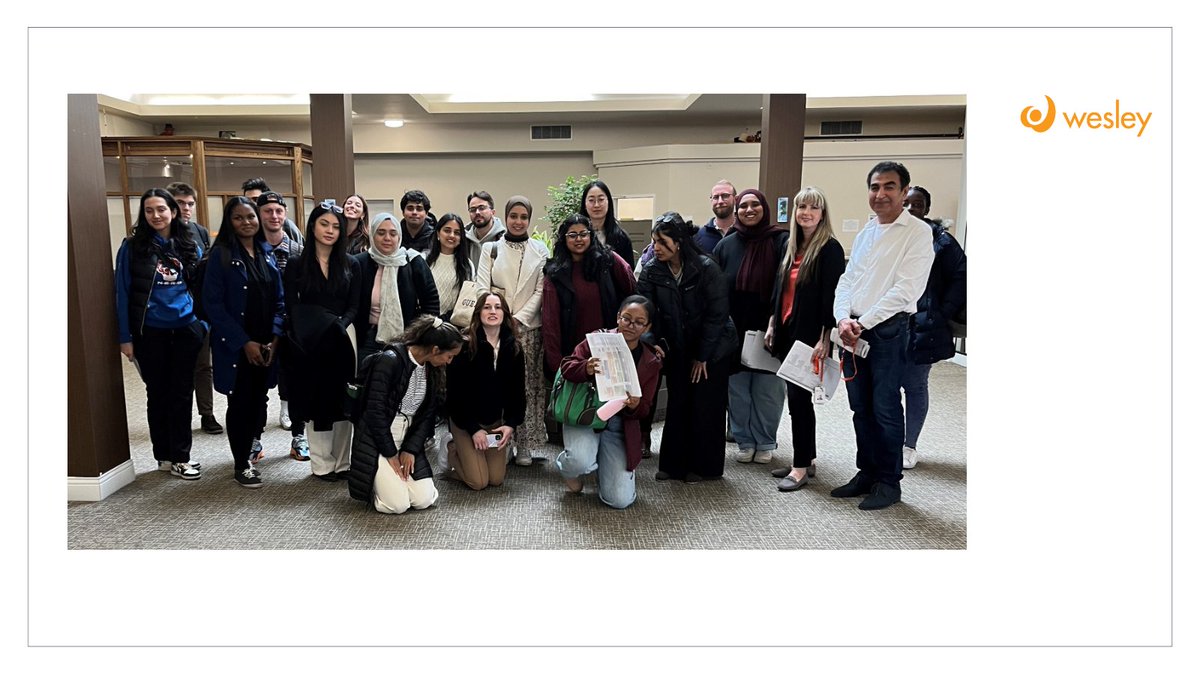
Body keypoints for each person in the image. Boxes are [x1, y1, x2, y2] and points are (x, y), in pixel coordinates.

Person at [831, 161, 934, 510]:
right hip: (853, 332)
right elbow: (848, 280)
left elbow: (906, 290)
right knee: (860, 408)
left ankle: (889, 482)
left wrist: (864, 322)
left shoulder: (918, 233)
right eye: (875, 187)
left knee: (885, 408)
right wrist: (843, 317)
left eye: (889, 187)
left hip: (888, 332)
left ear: (904, 192)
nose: (881, 194)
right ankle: (867, 473)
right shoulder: (866, 232)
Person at [636, 212, 738, 483]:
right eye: (654, 241)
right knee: (678, 404)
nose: (655, 247)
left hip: (713, 348)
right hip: (677, 347)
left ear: (679, 243)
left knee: (706, 405)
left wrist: (703, 357)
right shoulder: (652, 270)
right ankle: (672, 465)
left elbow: (717, 315)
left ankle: (706, 468)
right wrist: (652, 343)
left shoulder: (706, 268)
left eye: (662, 242)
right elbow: (644, 312)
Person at [114, 188, 205, 480]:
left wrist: (202, 324)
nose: (156, 215)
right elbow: (122, 293)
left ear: (174, 212)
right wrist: (125, 337)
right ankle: (163, 455)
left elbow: (203, 286)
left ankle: (181, 456)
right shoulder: (132, 247)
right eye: (149, 210)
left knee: (181, 393)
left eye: (162, 209)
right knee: (157, 394)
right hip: (149, 330)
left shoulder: (188, 243)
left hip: (186, 328)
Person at [764, 186, 845, 491]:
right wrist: (772, 323)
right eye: (801, 208)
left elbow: (832, 298)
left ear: (822, 214)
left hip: (811, 335)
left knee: (799, 401)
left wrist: (826, 338)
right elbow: (779, 290)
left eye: (813, 208)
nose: (806, 213)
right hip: (787, 330)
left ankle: (799, 468)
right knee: (796, 398)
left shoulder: (830, 249)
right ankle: (807, 458)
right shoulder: (791, 246)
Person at [203, 197, 285, 488]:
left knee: (259, 400)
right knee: (240, 403)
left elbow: (280, 299)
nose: (247, 222)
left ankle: (252, 446)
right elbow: (213, 306)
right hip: (236, 347)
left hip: (266, 344)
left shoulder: (266, 253)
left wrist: (274, 338)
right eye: (239, 218)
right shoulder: (221, 255)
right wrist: (244, 342)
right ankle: (242, 464)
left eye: (250, 216)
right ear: (230, 222)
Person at [347, 316, 464, 514]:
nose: (449, 362)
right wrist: (391, 453)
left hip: (407, 435)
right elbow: (375, 413)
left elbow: (427, 416)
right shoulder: (389, 361)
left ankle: (392, 482)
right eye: (449, 356)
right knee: (397, 505)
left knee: (424, 499)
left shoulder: (432, 370)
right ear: (435, 349)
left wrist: (410, 449)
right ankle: (377, 485)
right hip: (380, 437)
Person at [555, 295, 662, 508]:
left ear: (647, 327)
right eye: (626, 318)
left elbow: (645, 409)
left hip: (618, 426)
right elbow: (566, 366)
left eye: (639, 322)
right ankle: (569, 466)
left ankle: (603, 467)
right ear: (617, 318)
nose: (631, 325)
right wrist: (584, 367)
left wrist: (634, 406)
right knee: (580, 460)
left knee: (620, 501)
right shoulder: (597, 339)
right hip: (586, 414)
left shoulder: (651, 360)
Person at [283, 199, 362, 481]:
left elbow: (355, 305)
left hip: (343, 335)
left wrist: (339, 324)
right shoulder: (296, 264)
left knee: (344, 399)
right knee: (317, 399)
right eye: (324, 224)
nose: (330, 230)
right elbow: (291, 305)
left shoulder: (351, 263)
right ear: (312, 226)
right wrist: (317, 326)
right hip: (309, 338)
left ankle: (342, 462)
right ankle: (321, 464)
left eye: (336, 226)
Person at [713, 188, 790, 465]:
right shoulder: (727, 244)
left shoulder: (781, 241)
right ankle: (744, 440)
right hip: (735, 329)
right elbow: (717, 289)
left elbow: (787, 287)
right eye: (743, 206)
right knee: (738, 389)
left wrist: (774, 321)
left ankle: (765, 440)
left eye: (754, 204)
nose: (748, 210)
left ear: (764, 208)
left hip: (770, 328)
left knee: (767, 389)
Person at [476, 195, 550, 466]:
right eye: (513, 216)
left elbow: (542, 290)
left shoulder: (541, 250)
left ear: (529, 220)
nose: (518, 222)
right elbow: (482, 286)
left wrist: (518, 318)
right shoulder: (491, 249)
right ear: (505, 217)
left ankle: (526, 445)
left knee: (527, 386)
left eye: (523, 217)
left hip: (528, 328)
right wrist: (502, 318)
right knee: (498, 384)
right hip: (495, 326)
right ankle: (502, 441)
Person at [900, 185, 967, 469]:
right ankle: (890, 440)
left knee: (915, 385)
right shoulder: (890, 235)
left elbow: (962, 277)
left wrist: (943, 312)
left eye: (917, 205)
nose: (911, 210)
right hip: (891, 321)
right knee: (887, 385)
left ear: (927, 209)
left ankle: (908, 444)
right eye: (906, 204)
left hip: (925, 322)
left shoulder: (942, 242)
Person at [445, 292, 525, 490]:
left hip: (494, 422)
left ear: (505, 314)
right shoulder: (464, 345)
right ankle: (452, 449)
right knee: (478, 482)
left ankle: (471, 454)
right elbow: (455, 395)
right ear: (478, 312)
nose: (492, 311)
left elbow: (518, 392)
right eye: (487, 307)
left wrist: (510, 425)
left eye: (498, 307)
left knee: (495, 479)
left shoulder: (514, 347)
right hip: (465, 421)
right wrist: (473, 429)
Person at [542, 213, 636, 376]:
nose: (578, 239)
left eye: (583, 234)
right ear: (564, 239)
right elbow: (551, 323)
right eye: (572, 235)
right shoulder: (555, 273)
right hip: (573, 354)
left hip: (609, 347)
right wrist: (559, 367)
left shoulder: (608, 260)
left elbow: (632, 292)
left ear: (591, 236)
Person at [165, 181, 222, 435]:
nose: (186, 208)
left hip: (199, 311)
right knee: (177, 369)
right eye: (180, 203)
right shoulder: (161, 235)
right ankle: (179, 415)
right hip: (171, 313)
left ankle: (207, 414)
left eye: (190, 204)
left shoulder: (199, 231)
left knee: (203, 366)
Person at [257, 192, 309, 460]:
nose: (274, 216)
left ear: (285, 214)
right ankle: (254, 439)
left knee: (295, 386)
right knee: (258, 387)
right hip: (260, 328)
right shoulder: (251, 250)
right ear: (259, 214)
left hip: (291, 330)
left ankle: (299, 438)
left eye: (278, 211)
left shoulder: (299, 252)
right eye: (268, 211)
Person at [352, 212, 440, 364]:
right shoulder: (358, 263)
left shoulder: (413, 261)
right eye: (381, 233)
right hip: (366, 339)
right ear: (372, 234)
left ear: (399, 237)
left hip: (406, 339)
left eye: (393, 233)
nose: (387, 238)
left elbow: (431, 302)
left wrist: (420, 337)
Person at [424, 213, 476, 320]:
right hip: (424, 322)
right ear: (438, 233)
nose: (452, 235)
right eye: (447, 230)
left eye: (457, 233)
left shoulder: (467, 265)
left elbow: (466, 301)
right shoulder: (424, 259)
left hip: (452, 325)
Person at [579, 180, 635, 268]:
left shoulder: (621, 237)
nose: (596, 205)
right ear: (584, 204)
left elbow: (628, 273)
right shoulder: (576, 236)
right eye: (591, 200)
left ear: (608, 202)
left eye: (601, 199)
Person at [242, 177, 301, 242]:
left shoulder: (284, 224)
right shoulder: (246, 225)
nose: (251, 204)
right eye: (247, 200)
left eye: (256, 200)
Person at [463, 190, 505, 268]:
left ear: (493, 212)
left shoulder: (504, 239)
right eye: (473, 210)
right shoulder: (463, 238)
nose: (477, 212)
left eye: (482, 208)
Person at [696, 179, 738, 253]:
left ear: (735, 199)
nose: (720, 201)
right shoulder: (699, 236)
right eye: (715, 197)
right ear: (711, 201)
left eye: (725, 196)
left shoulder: (744, 232)